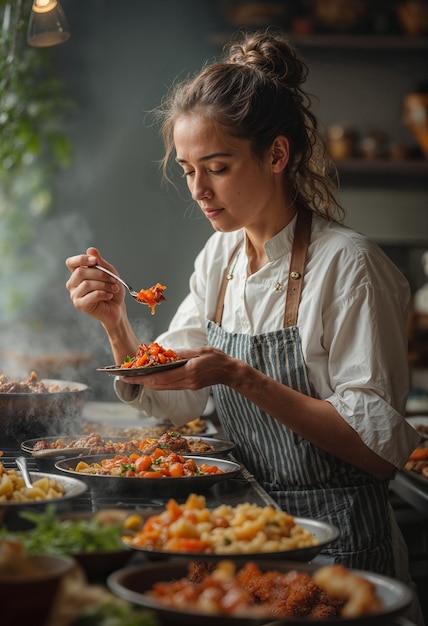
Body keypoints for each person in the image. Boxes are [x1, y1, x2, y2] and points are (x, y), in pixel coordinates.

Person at [66, 30, 423, 622]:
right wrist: (116, 324)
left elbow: (377, 452)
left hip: (342, 550)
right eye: (187, 171)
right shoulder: (220, 258)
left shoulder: (350, 267)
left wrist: (242, 375)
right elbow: (180, 397)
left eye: (218, 168)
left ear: (277, 155)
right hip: (249, 538)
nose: (199, 192)